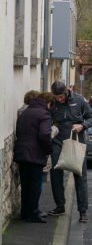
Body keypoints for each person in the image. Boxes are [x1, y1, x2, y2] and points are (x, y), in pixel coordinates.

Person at [48, 81, 92, 223]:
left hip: (76, 139)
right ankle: (60, 206)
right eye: (56, 97)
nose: (59, 100)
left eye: (61, 97)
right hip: (57, 140)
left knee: (80, 176)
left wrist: (82, 125)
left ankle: (82, 211)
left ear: (67, 91)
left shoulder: (79, 100)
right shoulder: (52, 103)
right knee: (55, 173)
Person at [14, 92, 54, 223]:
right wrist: (48, 149)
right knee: (35, 186)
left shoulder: (26, 112)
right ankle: (34, 213)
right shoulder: (45, 114)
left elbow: (19, 131)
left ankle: (25, 212)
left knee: (26, 185)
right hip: (35, 154)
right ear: (48, 103)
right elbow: (44, 134)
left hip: (21, 152)